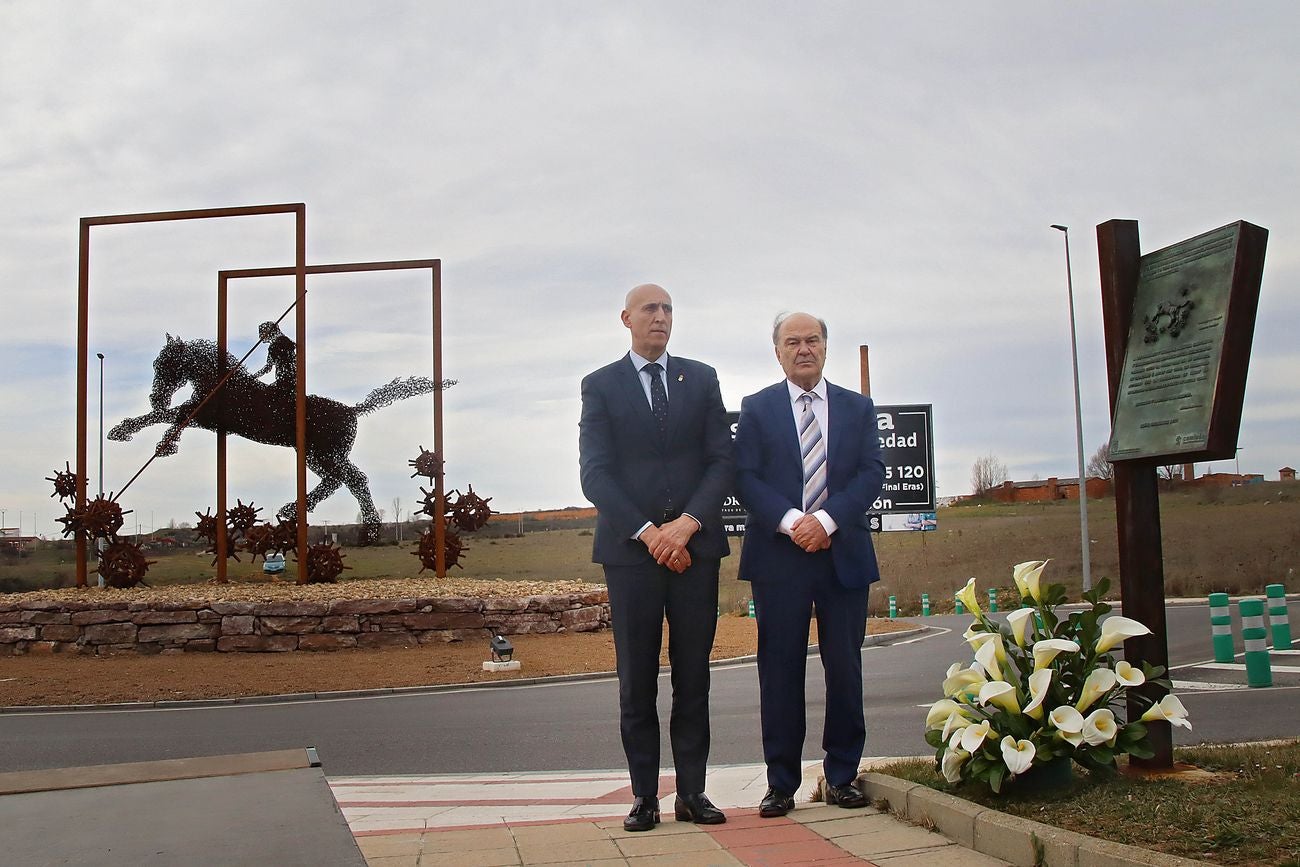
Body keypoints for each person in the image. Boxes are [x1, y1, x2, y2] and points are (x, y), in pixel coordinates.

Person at [578, 283, 733, 832]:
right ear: (626, 318)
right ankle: (645, 796)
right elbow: (595, 473)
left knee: (694, 677)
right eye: (650, 309)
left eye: (668, 309)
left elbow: (722, 461)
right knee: (636, 680)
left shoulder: (703, 378)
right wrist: (650, 534)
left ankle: (692, 792)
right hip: (631, 557)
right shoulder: (600, 386)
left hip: (696, 553)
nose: (661, 317)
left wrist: (687, 525)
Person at [733, 311, 885, 818]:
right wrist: (794, 520)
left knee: (845, 668)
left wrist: (827, 521)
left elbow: (871, 473)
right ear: (777, 352)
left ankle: (842, 776)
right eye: (792, 341)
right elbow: (745, 477)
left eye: (813, 340)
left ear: (826, 348)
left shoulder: (857, 408)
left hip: (842, 555)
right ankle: (781, 783)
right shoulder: (756, 409)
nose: (804, 349)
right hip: (780, 559)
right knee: (779, 673)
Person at [250, 321, 296, 390]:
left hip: (284, 381)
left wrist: (253, 377)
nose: (260, 336)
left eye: (262, 333)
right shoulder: (286, 342)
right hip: (294, 379)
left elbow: (268, 367)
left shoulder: (274, 346)